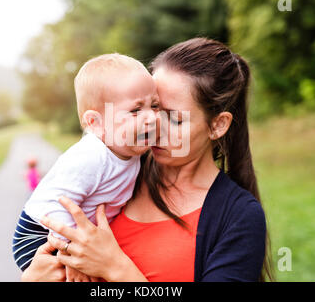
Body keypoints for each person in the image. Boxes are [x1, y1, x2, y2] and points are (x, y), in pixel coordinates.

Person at [14, 37, 274, 282]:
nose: (152, 125)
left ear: (217, 125)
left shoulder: (238, 217)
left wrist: (116, 268)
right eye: (152, 108)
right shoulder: (120, 172)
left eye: (173, 117)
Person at [17, 53, 159, 281]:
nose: (151, 117)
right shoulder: (91, 157)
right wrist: (68, 252)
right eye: (135, 110)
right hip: (39, 233)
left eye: (154, 105)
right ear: (95, 122)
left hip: (71, 233)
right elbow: (59, 206)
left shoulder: (132, 151)